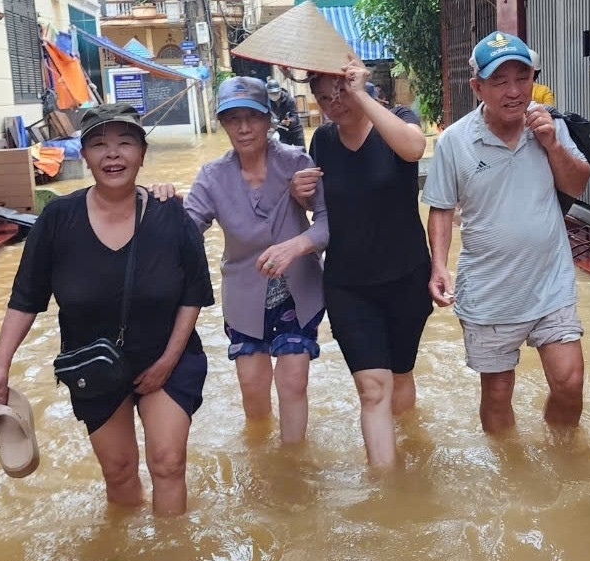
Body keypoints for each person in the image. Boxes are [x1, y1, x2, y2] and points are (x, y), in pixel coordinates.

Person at [0, 103, 214, 514]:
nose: (112, 154)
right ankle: (123, 559)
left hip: (166, 357)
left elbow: (194, 293)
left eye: (124, 143)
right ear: (84, 155)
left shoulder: (169, 214)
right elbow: (26, 298)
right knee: (118, 470)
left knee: (168, 464)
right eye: (99, 144)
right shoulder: (57, 219)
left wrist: (168, 360)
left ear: (142, 154)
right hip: (92, 364)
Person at [423, 31, 590, 434]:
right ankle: (510, 468)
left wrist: (552, 143)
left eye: (523, 77)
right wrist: (438, 267)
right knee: (498, 394)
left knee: (570, 382)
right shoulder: (455, 141)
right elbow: (442, 208)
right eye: (500, 81)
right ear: (478, 87)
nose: (514, 91)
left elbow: (578, 185)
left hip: (550, 282)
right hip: (489, 290)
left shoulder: (549, 125)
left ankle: (563, 453)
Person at [293, 59, 431, 467]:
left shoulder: (399, 120)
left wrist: (360, 95)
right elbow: (323, 211)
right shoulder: (322, 141)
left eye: (340, 91)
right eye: (324, 98)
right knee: (373, 388)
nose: (334, 103)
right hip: (349, 284)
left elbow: (414, 148)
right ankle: (386, 492)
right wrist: (299, 194)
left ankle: (411, 449)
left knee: (401, 375)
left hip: (406, 275)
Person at [182, 77, 329, 445]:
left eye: (253, 117)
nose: (244, 128)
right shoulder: (212, 177)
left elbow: (329, 222)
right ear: (223, 124)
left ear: (269, 120)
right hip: (244, 296)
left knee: (293, 381)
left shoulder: (297, 163)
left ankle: (293, 463)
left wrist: (296, 245)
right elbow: (185, 230)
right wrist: (156, 201)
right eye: (233, 119)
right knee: (253, 388)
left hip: (299, 292)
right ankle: (263, 463)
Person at [266, 76, 305, 148]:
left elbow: (295, 116)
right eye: (271, 94)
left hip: (295, 130)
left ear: (280, 91)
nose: (274, 95)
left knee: (301, 153)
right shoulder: (269, 102)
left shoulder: (289, 100)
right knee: (284, 154)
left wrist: (290, 121)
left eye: (276, 93)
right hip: (282, 131)